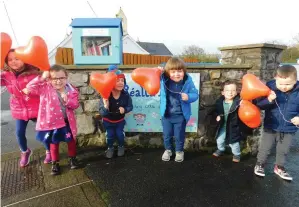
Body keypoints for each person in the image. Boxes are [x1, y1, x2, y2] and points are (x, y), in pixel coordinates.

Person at [25, 64, 80, 175]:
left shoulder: (72, 90)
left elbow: (75, 105)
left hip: (67, 122)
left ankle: (72, 158)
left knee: (71, 141)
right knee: (54, 143)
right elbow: (30, 87)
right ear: (49, 79)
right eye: (55, 78)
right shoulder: (45, 87)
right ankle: (55, 163)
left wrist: (67, 100)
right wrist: (41, 77)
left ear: (66, 77)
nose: (58, 81)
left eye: (61, 78)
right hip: (52, 124)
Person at [0, 49, 51, 167]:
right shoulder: (6, 75)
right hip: (19, 109)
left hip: (36, 107)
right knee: (19, 132)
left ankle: (49, 150)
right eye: (10, 59)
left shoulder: (34, 72)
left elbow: (44, 83)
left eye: (17, 58)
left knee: (43, 131)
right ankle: (25, 151)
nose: (13, 62)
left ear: (25, 59)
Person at [254, 65, 299, 181]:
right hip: (271, 125)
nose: (284, 87)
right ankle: (260, 164)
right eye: (281, 84)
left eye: (288, 84)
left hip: (289, 128)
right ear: (275, 79)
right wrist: (268, 100)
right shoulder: (269, 88)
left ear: (295, 80)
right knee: (265, 147)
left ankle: (279, 167)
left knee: (283, 150)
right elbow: (259, 105)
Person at [160, 57, 199, 162]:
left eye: (179, 71)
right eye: (173, 71)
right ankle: (168, 150)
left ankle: (179, 151)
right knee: (167, 135)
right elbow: (153, 76)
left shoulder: (188, 81)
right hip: (167, 115)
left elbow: (195, 94)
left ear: (184, 71)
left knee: (179, 136)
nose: (176, 74)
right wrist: (157, 70)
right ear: (168, 72)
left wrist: (188, 97)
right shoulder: (164, 79)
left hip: (180, 116)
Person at [99, 65, 133, 158]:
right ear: (110, 83)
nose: (120, 83)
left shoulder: (125, 95)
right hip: (108, 122)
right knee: (109, 136)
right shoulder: (105, 96)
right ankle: (110, 148)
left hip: (119, 122)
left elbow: (130, 106)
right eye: (117, 81)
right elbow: (102, 112)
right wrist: (106, 106)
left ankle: (121, 146)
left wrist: (125, 109)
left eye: (122, 81)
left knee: (120, 135)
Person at [212, 80, 246, 163]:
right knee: (219, 140)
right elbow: (215, 111)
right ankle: (221, 149)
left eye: (233, 90)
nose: (230, 92)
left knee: (233, 143)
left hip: (233, 127)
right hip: (223, 126)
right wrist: (217, 116)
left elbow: (245, 112)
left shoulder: (239, 102)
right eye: (227, 90)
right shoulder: (219, 102)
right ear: (222, 92)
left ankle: (237, 154)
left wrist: (243, 105)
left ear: (237, 92)